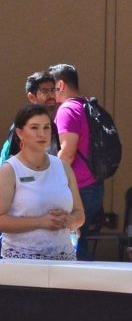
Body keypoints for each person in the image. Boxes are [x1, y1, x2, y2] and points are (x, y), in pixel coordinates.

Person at [0, 104, 84, 261]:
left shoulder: (63, 167)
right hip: (23, 260)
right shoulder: (9, 171)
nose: (42, 134)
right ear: (20, 132)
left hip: (63, 256)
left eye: (46, 127)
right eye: (34, 128)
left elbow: (80, 213)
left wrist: (71, 221)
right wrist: (40, 222)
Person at [50, 63, 101, 260]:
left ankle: (92, 287)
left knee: (74, 246)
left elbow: (67, 152)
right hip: (94, 185)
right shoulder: (86, 105)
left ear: (60, 85)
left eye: (52, 88)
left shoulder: (67, 110)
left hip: (78, 188)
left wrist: (48, 178)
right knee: (81, 240)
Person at [0, 70, 60, 166]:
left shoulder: (54, 126)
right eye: (45, 91)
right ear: (31, 97)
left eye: (53, 90)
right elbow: (13, 163)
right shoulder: (20, 125)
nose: (51, 95)